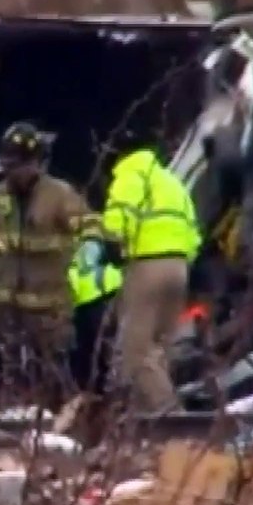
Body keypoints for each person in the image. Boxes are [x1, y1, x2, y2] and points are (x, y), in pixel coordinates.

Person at [0, 122, 105, 409]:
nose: (10, 174)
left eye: (16, 167)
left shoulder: (59, 195)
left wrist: (90, 244)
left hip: (47, 312)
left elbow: (90, 224)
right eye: (7, 167)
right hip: (1, 311)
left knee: (52, 380)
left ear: (35, 164)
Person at [101, 148, 202, 414]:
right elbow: (194, 232)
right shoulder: (172, 183)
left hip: (147, 265)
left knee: (135, 352)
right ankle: (145, 422)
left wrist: (111, 246)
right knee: (160, 350)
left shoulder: (131, 174)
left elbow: (119, 217)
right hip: (179, 268)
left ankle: (173, 418)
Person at [67, 247, 124, 394]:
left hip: (86, 303)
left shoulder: (82, 248)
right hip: (100, 299)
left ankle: (91, 388)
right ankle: (99, 387)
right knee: (99, 349)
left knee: (88, 349)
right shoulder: (97, 246)